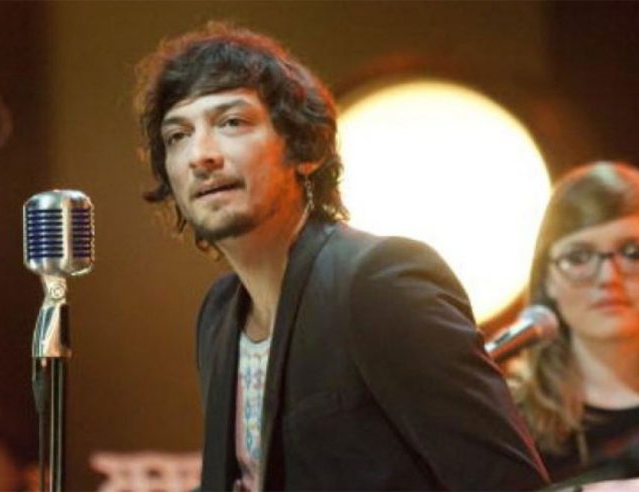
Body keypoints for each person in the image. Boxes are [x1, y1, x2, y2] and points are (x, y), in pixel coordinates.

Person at [134, 22, 548, 491]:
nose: (200, 155)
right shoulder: (219, 313)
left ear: (305, 149)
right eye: (178, 135)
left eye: (232, 122)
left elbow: (507, 482)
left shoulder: (378, 282)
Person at [510, 161, 639, 487]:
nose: (608, 277)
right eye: (578, 257)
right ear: (547, 280)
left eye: (632, 252)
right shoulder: (509, 421)